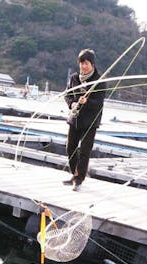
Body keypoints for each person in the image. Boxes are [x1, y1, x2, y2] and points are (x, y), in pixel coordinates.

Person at [63, 49, 106, 191]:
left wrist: (86, 101)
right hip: (75, 118)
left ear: (92, 64)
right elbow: (67, 95)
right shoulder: (74, 78)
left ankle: (79, 179)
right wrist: (72, 103)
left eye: (86, 63)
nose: (83, 66)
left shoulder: (100, 81)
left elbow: (99, 103)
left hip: (90, 122)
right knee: (70, 148)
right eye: (81, 63)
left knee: (84, 151)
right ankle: (74, 174)